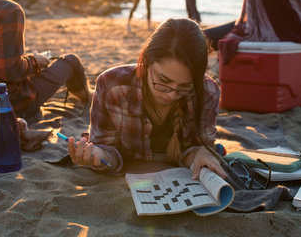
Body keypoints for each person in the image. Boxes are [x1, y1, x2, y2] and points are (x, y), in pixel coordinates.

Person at [67, 18, 226, 180]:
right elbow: (108, 150)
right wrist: (98, 156)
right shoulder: (111, 86)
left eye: (185, 86)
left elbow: (198, 147)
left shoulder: (207, 91)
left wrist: (202, 154)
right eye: (163, 81)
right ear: (147, 61)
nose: (171, 94)